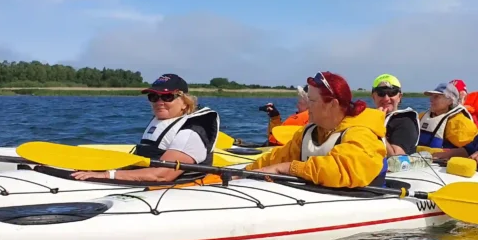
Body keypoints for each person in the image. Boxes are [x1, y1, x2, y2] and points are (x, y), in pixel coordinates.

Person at [246, 70, 387, 188]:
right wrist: (243, 173)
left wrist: (287, 168)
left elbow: (343, 169)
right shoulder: (309, 132)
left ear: (332, 104)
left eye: (312, 101)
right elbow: (278, 157)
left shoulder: (362, 133)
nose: (308, 107)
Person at [70, 73, 219, 183]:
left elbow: (162, 175)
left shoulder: (192, 130)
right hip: (149, 181)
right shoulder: (165, 120)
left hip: (177, 188)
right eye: (154, 97)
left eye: (167, 97)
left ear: (185, 102)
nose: (159, 102)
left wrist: (107, 175)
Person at [418, 81, 478, 149]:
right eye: (431, 96)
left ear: (450, 101)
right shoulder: (421, 116)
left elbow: (470, 149)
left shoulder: (458, 123)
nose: (431, 99)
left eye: (436, 97)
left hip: (440, 159)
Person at [370, 73, 420, 156]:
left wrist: (377, 126)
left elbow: (395, 157)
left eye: (392, 92)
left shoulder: (406, 122)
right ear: (373, 97)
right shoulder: (366, 118)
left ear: (399, 97)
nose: (386, 98)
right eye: (381, 93)